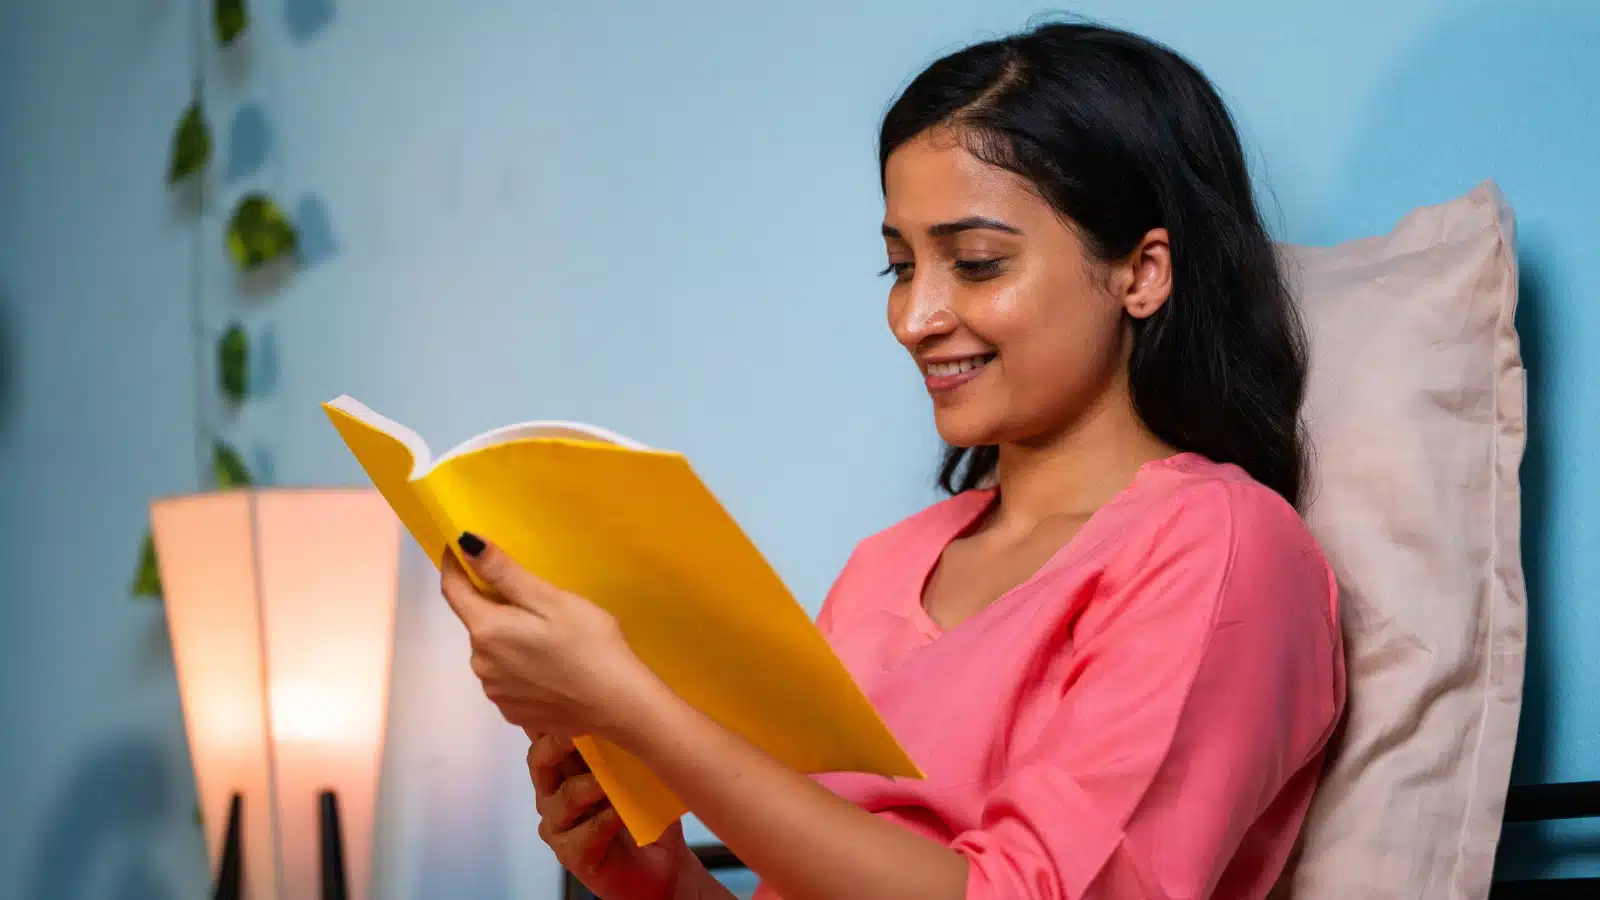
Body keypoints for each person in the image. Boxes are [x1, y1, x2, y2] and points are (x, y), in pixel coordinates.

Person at [439, 20, 1346, 900]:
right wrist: (666, 882)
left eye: (979, 263)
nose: (915, 318)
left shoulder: (1222, 549)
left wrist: (635, 709)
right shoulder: (888, 569)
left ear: (1143, 273)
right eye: (900, 267)